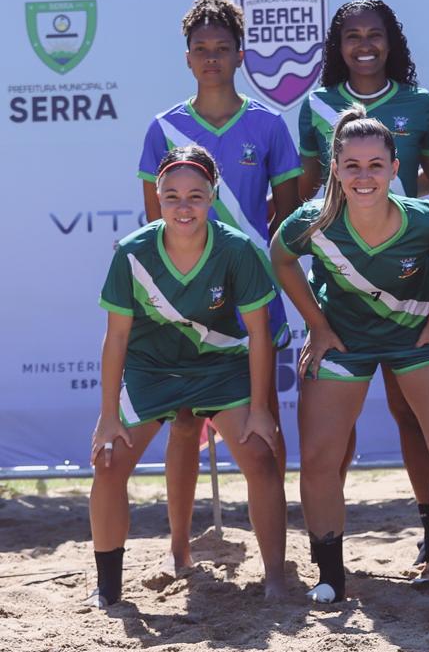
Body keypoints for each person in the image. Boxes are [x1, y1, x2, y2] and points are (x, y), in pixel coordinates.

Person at [297, 0, 429, 569]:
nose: (364, 45)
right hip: (345, 285)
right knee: (335, 437)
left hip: (408, 285)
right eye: (351, 36)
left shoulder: (419, 103)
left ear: (392, 41)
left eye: (374, 34)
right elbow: (306, 191)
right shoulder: (317, 104)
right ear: (338, 46)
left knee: (414, 417)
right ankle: (331, 560)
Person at [272, 106, 429, 601]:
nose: (365, 176)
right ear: (335, 168)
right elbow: (280, 256)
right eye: (353, 165)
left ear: (396, 168)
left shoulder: (427, 217)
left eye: (376, 165)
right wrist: (316, 325)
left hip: (414, 337)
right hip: (344, 340)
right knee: (320, 456)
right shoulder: (313, 221)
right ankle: (329, 576)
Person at [137, 0, 300, 573]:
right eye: (201, 50)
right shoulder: (163, 128)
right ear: (188, 58)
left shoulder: (268, 124)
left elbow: (288, 221)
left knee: (264, 428)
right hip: (185, 304)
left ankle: (275, 567)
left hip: (252, 301)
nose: (212, 58)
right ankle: (179, 552)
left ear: (240, 55)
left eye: (222, 49)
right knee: (183, 425)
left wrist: (250, 272)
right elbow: (154, 226)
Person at [90, 146, 286, 606]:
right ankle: (109, 585)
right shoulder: (133, 252)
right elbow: (115, 339)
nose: (183, 206)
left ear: (213, 196)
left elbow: (260, 334)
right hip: (152, 370)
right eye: (172, 195)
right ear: (155, 196)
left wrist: (259, 410)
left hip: (218, 366)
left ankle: (276, 576)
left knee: (260, 456)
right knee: (109, 461)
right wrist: (106, 417)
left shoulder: (236, 249)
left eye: (195, 196)